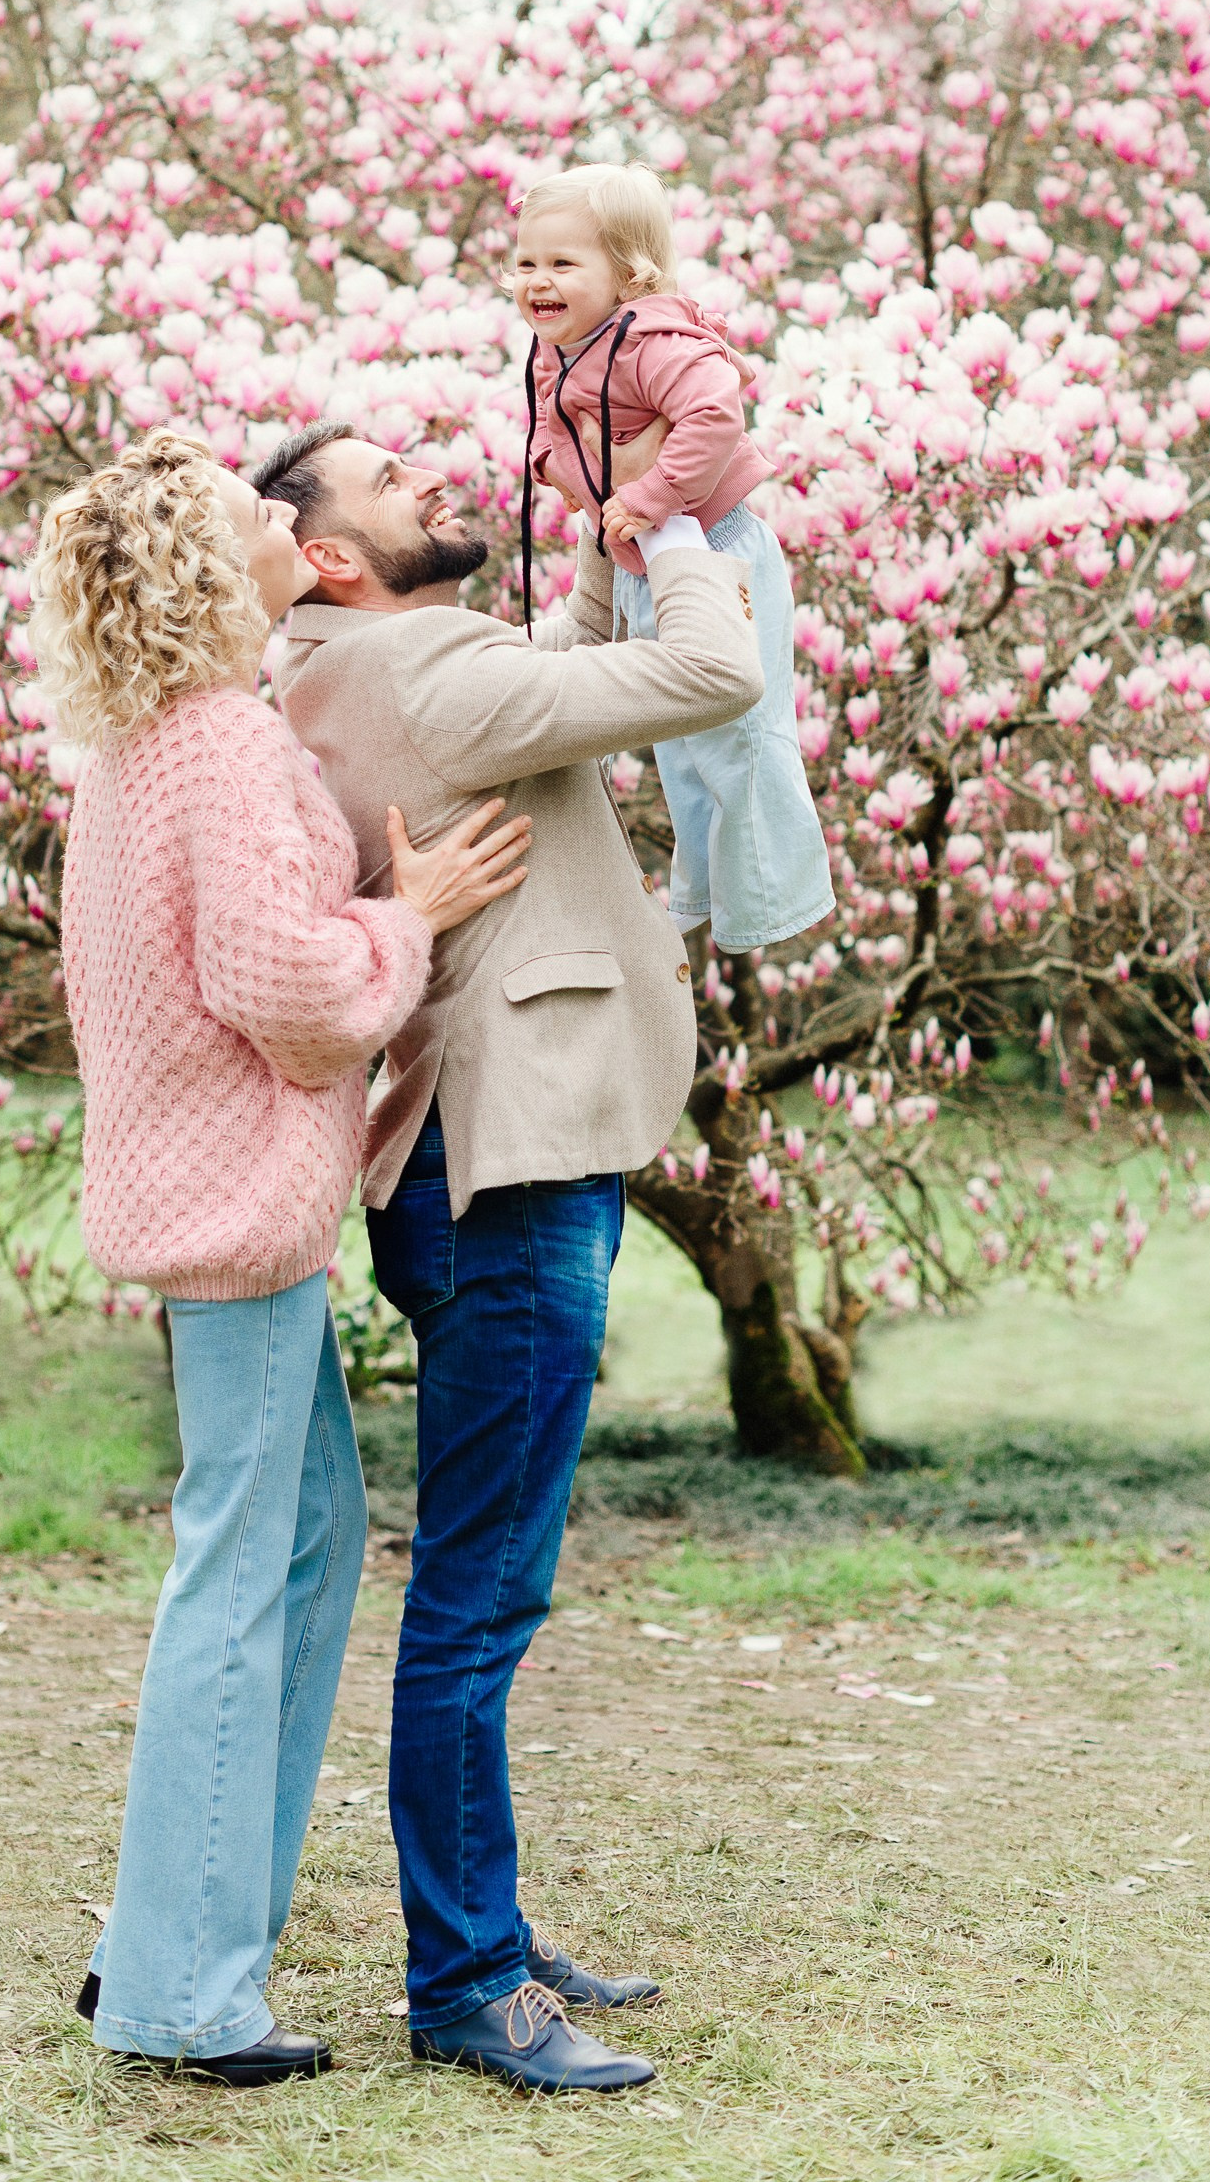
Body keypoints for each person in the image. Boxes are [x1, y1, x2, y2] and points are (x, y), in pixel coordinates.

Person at [249, 419, 764, 2095]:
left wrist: (606, 556)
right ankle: (465, 1981)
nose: (433, 485)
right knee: (478, 1602)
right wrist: (679, 533)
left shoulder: (340, 671)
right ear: (332, 554)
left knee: (482, 1591)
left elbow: (572, 676)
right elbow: (709, 672)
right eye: (390, 484)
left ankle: (486, 1923)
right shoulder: (434, 675)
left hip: (476, 1164)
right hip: (510, 1173)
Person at [35, 430, 530, 2088]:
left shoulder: (148, 752)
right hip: (235, 1222)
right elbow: (294, 994)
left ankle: (163, 1948)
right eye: (249, 514)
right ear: (201, 567)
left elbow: (228, 952)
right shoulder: (229, 748)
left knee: (298, 1541)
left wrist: (369, 890)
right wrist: (420, 910)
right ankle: (185, 1990)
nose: (280, 517)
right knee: (246, 1576)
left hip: (204, 1215)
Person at [515, 160, 834, 957]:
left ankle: (771, 903)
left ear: (629, 274)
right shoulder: (564, 347)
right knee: (682, 741)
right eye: (525, 263)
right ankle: (705, 890)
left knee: (741, 737)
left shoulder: (649, 343)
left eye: (562, 263)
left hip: (714, 549)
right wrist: (555, 466)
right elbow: (552, 424)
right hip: (644, 564)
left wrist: (651, 493)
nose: (537, 281)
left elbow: (715, 411)